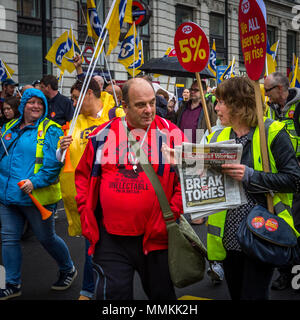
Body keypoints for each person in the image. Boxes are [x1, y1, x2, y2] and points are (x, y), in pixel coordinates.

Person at [74, 77, 185, 300]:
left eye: (152, 103)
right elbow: (83, 177)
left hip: (156, 239)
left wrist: (169, 218)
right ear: (124, 106)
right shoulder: (102, 135)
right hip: (110, 240)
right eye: (140, 104)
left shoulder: (171, 134)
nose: (149, 110)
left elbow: (188, 181)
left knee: (162, 297)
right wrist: (88, 219)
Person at [205, 76, 300, 300]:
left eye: (221, 102)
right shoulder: (217, 136)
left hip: (261, 232)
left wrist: (250, 176)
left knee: (253, 296)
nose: (216, 107)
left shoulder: (273, 132)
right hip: (228, 237)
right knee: (237, 294)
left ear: (238, 104)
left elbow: (293, 180)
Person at [0, 88, 77, 300]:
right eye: (31, 102)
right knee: (8, 239)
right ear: (23, 105)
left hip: (36, 197)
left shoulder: (51, 130)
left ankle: (68, 268)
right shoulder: (8, 127)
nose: (36, 106)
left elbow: (54, 165)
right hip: (8, 197)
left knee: (46, 238)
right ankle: (12, 283)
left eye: (40, 103)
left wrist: (34, 182)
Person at [57, 78, 115, 300]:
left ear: (89, 94)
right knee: (91, 240)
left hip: (112, 189)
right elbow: (61, 158)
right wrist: (60, 150)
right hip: (87, 193)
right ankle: (88, 289)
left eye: (75, 98)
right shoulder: (74, 123)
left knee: (115, 243)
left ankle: (111, 284)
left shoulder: (115, 114)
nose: (73, 103)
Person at [264, 72, 300, 290]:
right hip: (278, 178)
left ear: (280, 89)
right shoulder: (270, 110)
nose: (265, 95)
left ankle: (295, 275)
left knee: (295, 227)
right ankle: (285, 272)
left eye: (267, 90)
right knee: (279, 226)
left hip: (296, 179)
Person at [176, 79, 217, 144]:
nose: (192, 92)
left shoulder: (208, 108)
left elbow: (214, 127)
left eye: (196, 90)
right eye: (191, 89)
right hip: (181, 146)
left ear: (204, 92)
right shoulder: (183, 106)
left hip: (198, 147)